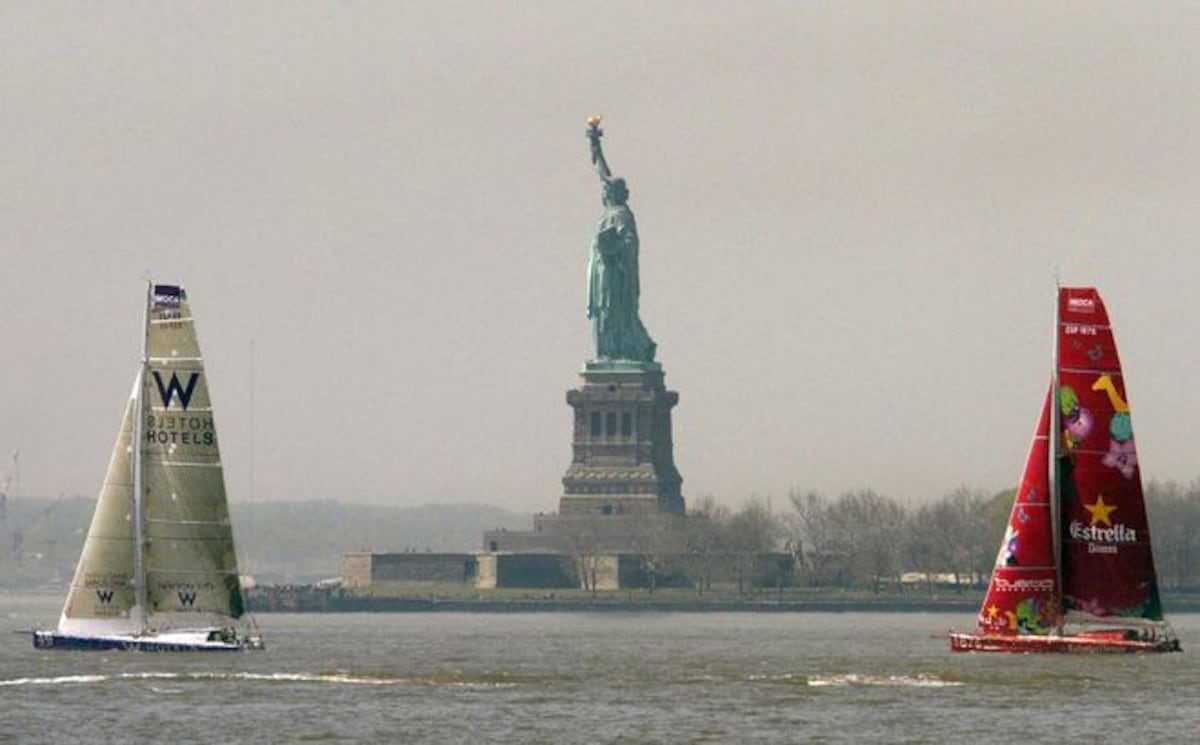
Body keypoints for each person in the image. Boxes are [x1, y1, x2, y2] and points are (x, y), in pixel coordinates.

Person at [586, 120, 656, 363]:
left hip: (616, 275)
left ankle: (616, 351)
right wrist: (596, 147)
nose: (603, 194)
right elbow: (604, 176)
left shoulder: (621, 215)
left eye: (608, 192)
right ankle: (608, 352)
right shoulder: (611, 212)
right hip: (603, 271)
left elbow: (628, 245)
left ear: (616, 194)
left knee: (613, 312)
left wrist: (611, 247)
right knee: (603, 311)